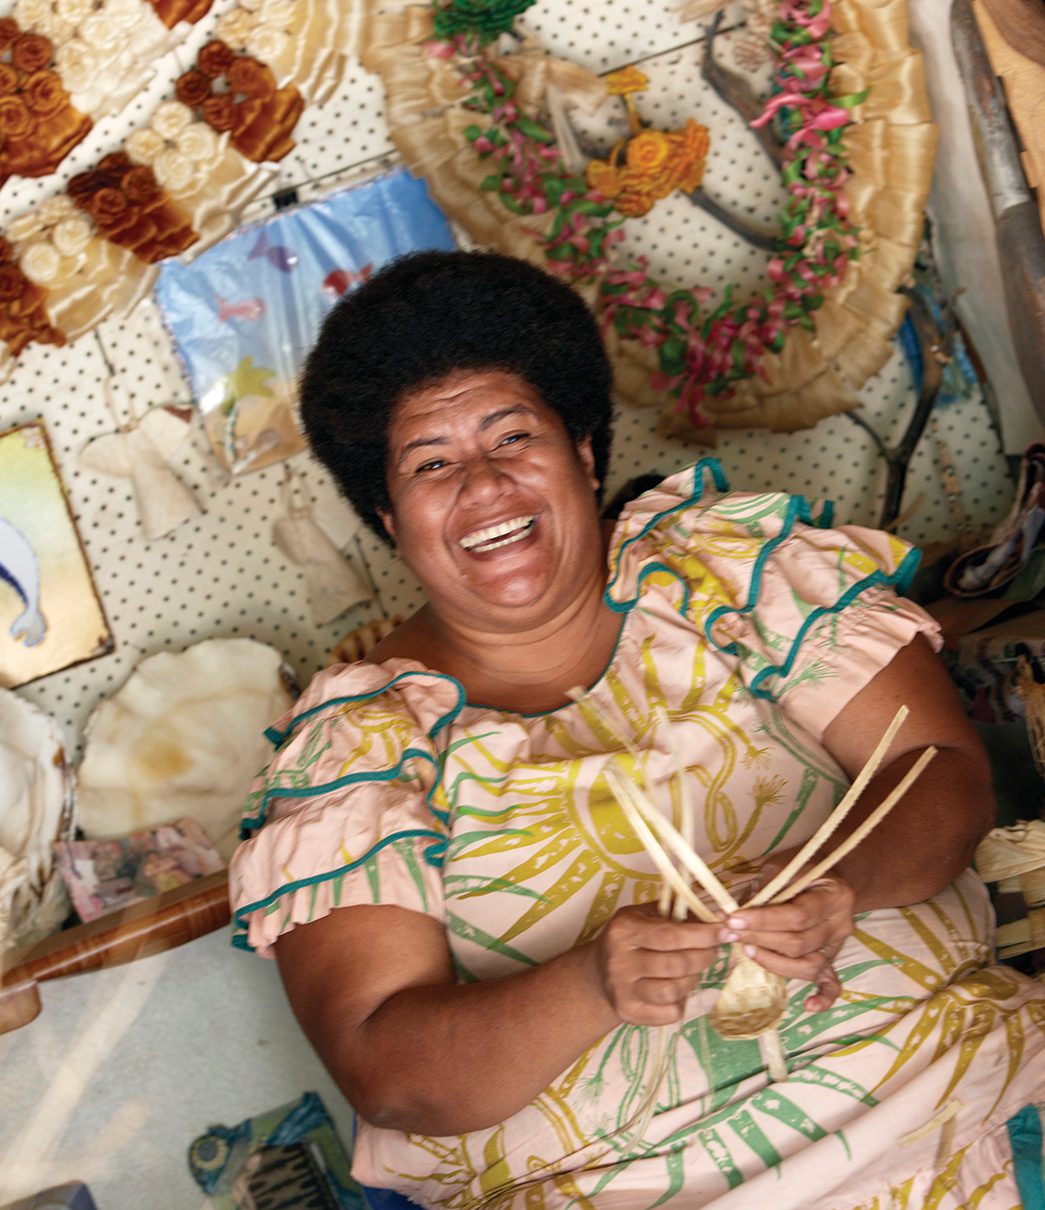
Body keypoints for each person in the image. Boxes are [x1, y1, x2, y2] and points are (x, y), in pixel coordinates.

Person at [229, 250, 1045, 1209]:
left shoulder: (725, 572)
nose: (483, 485)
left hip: (949, 1105)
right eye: (431, 464)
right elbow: (389, 1069)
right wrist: (592, 984)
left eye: (511, 436)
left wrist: (840, 882)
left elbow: (937, 767)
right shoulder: (358, 750)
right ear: (389, 516)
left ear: (581, 451)